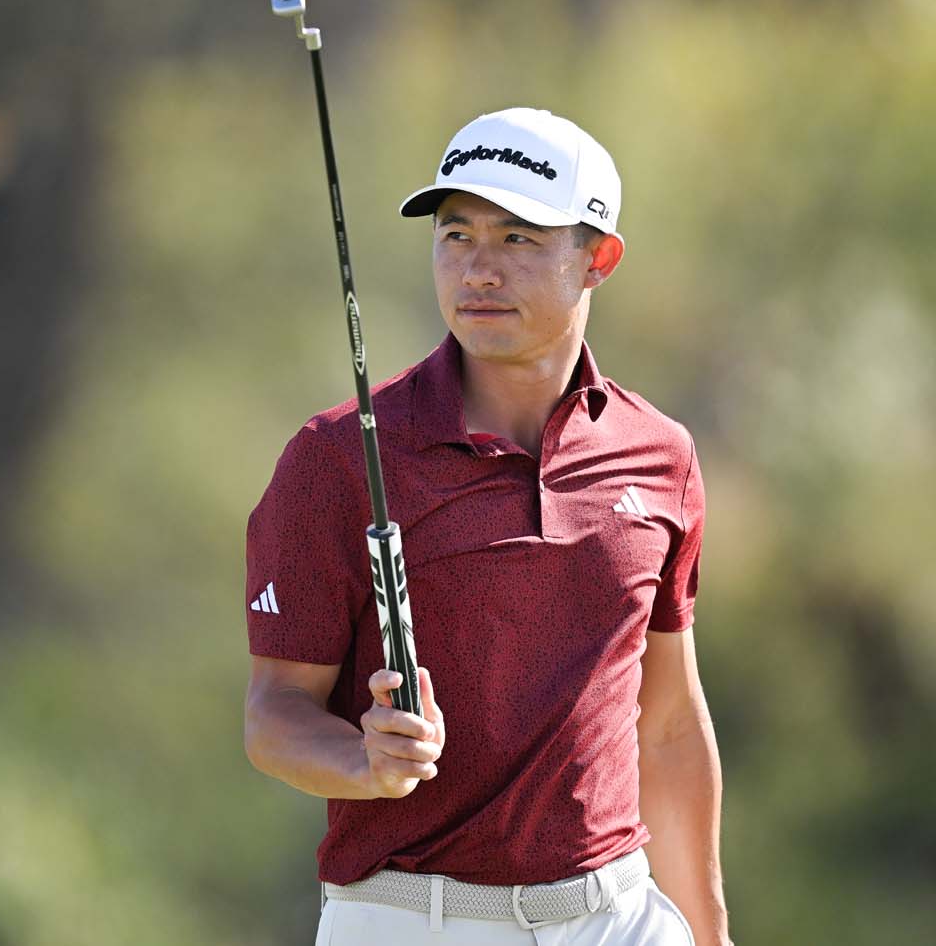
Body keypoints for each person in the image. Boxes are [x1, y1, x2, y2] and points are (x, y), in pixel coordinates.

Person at [244, 107, 730, 945]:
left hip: (617, 917)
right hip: (412, 919)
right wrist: (363, 763)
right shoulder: (337, 459)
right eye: (456, 235)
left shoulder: (660, 456)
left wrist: (712, 932)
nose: (477, 270)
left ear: (598, 259)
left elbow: (671, 720)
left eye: (518, 240)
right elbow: (275, 714)